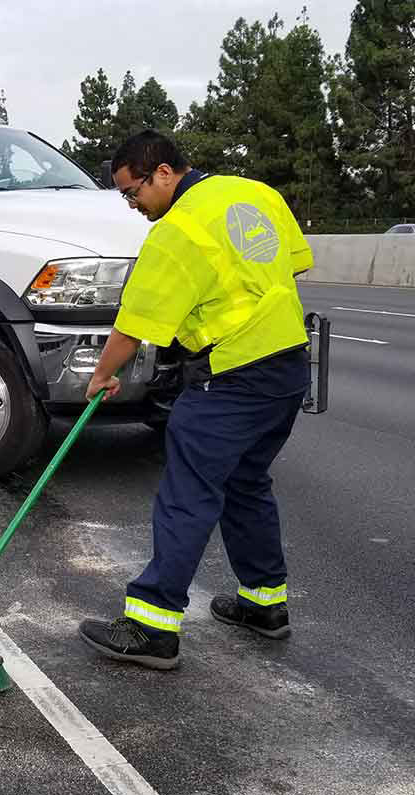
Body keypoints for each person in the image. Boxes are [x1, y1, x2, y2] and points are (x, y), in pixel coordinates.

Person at [78, 130, 313, 670]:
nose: (133, 205)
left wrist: (101, 378)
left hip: (230, 377)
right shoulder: (255, 193)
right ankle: (264, 603)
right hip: (287, 366)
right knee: (246, 481)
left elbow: (131, 328)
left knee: (188, 492)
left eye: (131, 192)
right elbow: (291, 265)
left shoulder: (176, 233)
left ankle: (151, 626)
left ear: (162, 172)